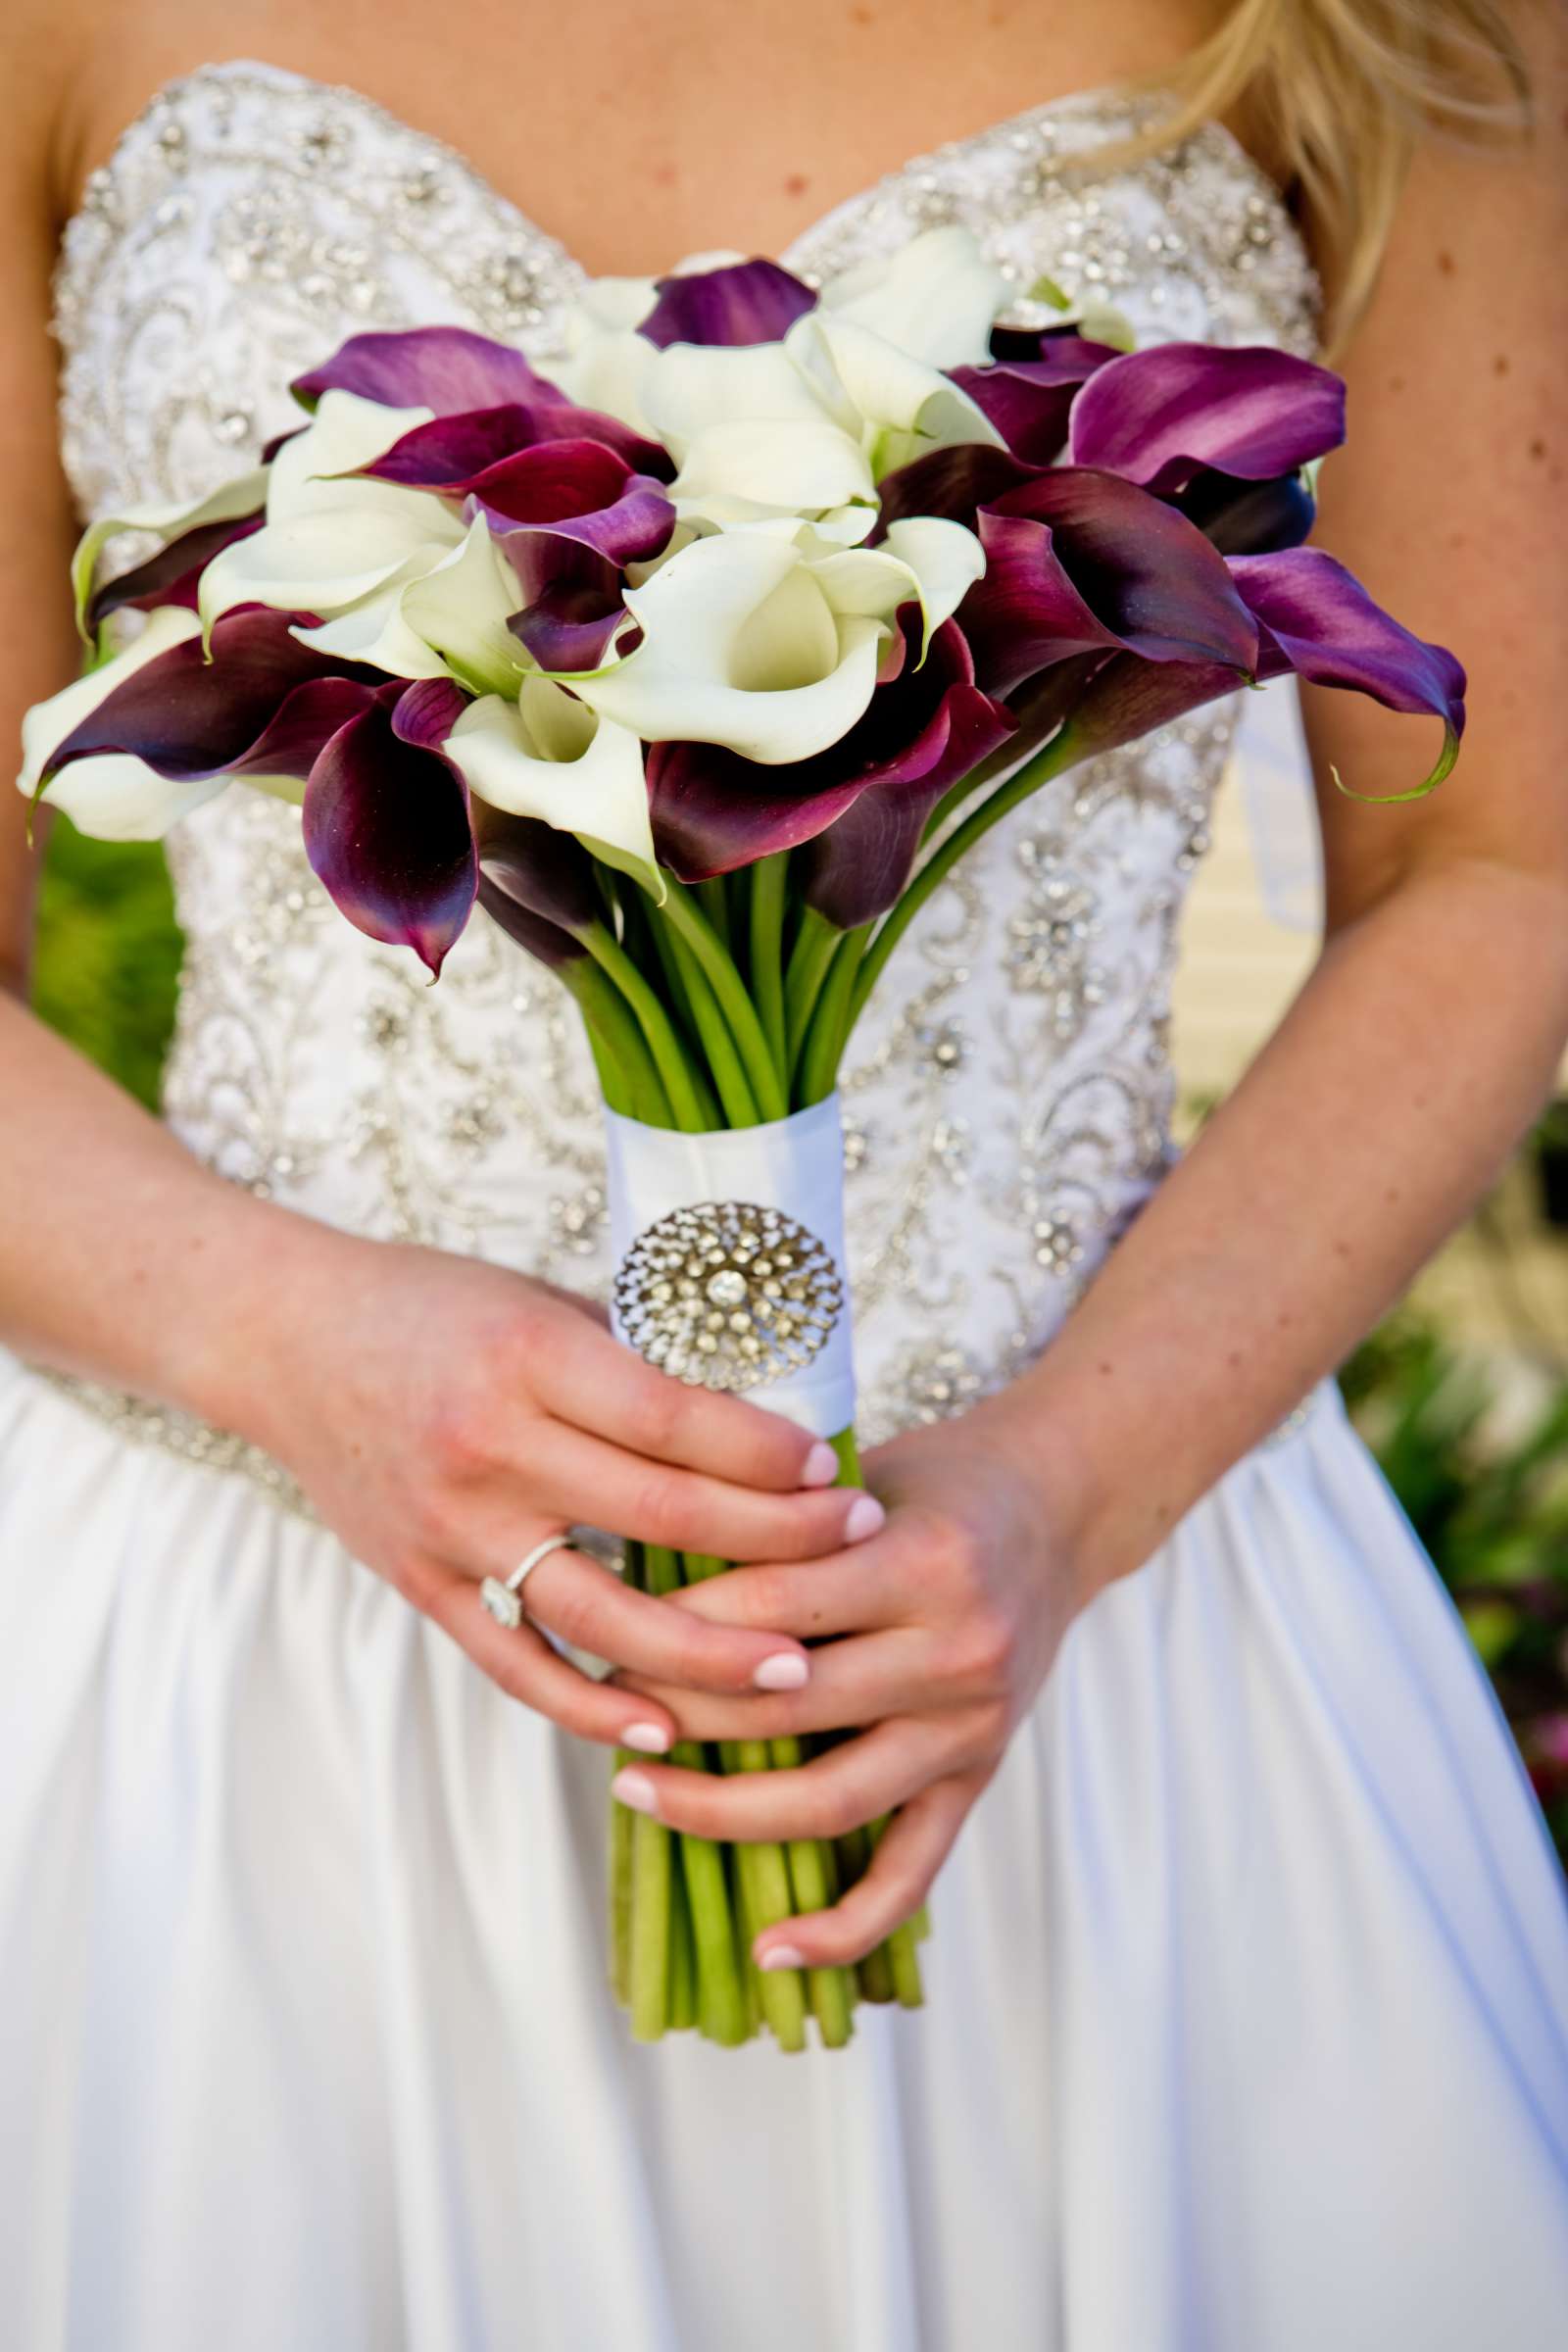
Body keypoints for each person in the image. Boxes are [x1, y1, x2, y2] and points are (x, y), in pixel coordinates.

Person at [3, 2, 1566, 2344]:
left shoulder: (1381, 30)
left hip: (1069, 1626)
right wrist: (283, 1337)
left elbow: (1503, 872)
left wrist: (1057, 1494)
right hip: (262, 1683)